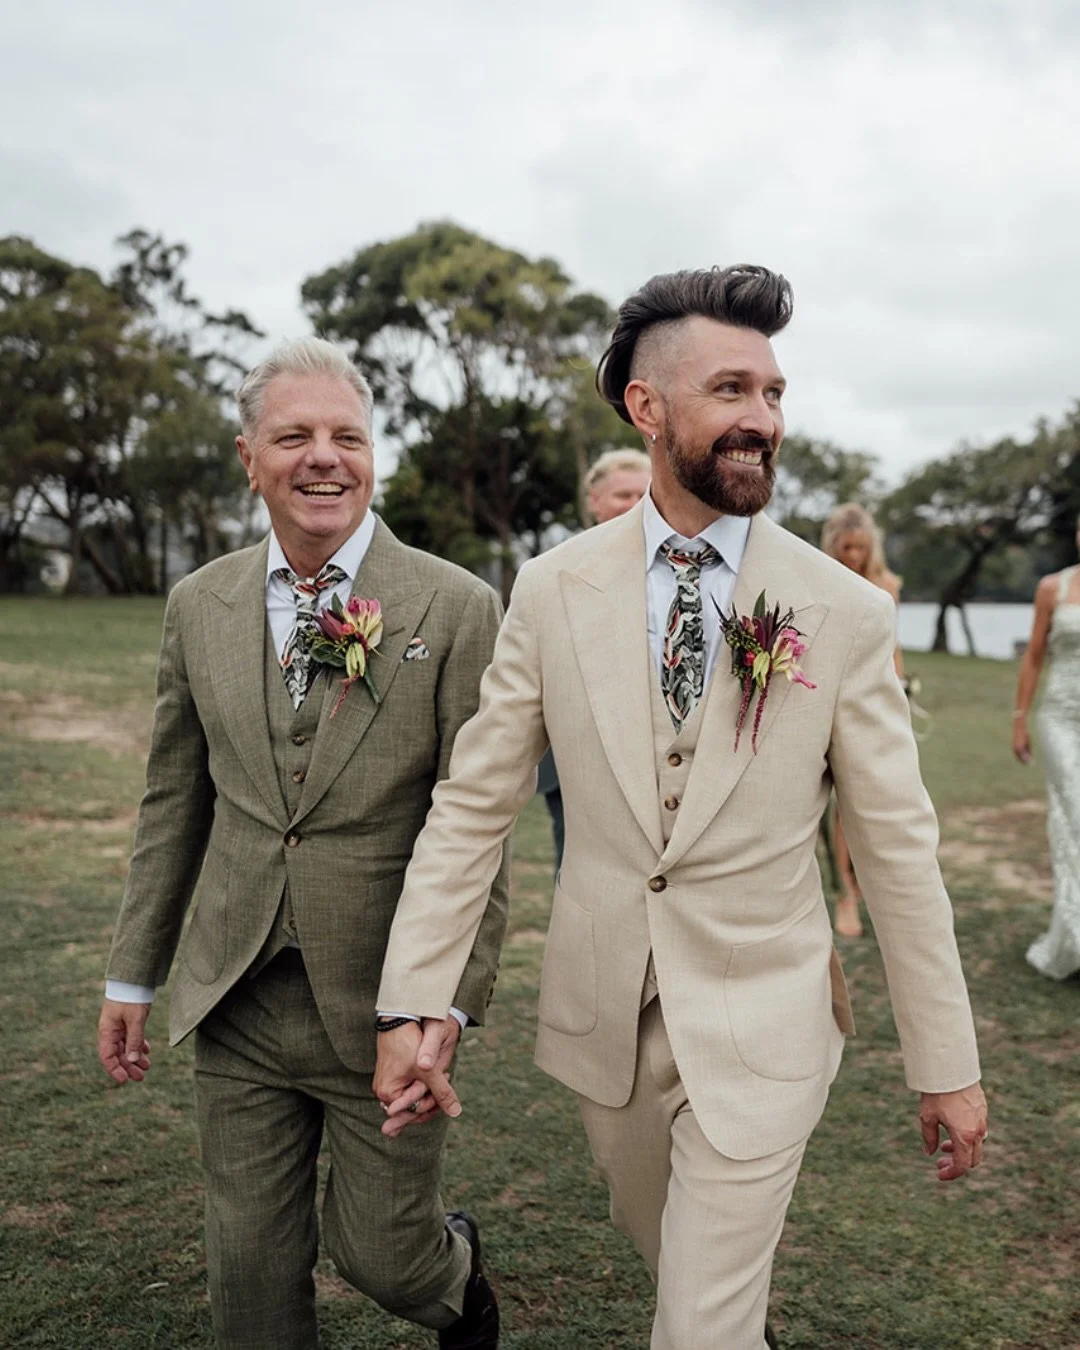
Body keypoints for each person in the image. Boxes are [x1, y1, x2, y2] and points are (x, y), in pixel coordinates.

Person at [373, 267, 987, 1349]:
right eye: (732, 390)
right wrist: (414, 998)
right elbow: (474, 805)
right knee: (686, 1278)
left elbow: (897, 850)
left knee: (695, 1329)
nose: (763, 421)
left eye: (775, 394)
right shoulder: (553, 588)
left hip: (766, 1019)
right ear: (646, 407)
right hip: (606, 1021)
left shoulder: (840, 611)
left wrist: (948, 1063)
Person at [96, 338, 505, 1350]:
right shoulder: (199, 605)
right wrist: (132, 975)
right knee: (250, 1288)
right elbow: (170, 801)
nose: (324, 458)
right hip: (234, 994)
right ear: (250, 458)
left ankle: (459, 1285)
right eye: (294, 436)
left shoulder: (456, 609)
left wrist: (440, 1003)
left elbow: (478, 828)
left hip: (384, 1005)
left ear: (373, 456)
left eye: (347, 437)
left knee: (385, 1256)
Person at [538, 448, 652, 869]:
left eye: (646, 493)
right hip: (573, 760)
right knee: (577, 868)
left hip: (652, 762)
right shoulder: (555, 573)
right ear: (594, 502)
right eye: (624, 494)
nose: (636, 504)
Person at [820, 502, 904, 938]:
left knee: (871, 801)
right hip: (827, 696)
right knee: (832, 808)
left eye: (860, 547)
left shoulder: (887, 585)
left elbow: (893, 646)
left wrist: (901, 693)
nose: (852, 555)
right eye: (846, 546)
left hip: (874, 699)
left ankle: (862, 883)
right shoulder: (819, 580)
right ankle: (843, 894)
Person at [1012, 515, 1080, 979]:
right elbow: (1034, 655)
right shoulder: (1052, 589)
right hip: (1060, 718)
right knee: (1075, 810)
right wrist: (1020, 718)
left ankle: (1069, 934)